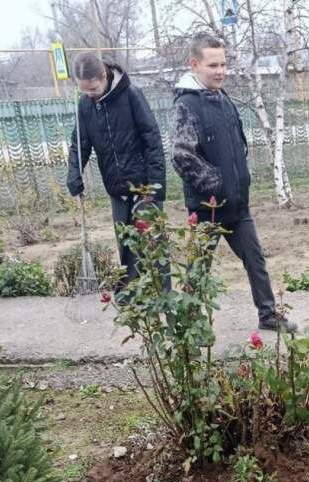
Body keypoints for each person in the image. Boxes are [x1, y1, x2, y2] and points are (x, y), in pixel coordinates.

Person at [171, 33, 296, 334]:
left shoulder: (223, 99)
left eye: (223, 64)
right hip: (207, 210)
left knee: (255, 259)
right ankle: (190, 324)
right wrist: (214, 184)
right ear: (194, 64)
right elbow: (181, 155)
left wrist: (240, 179)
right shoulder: (187, 104)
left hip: (238, 204)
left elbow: (237, 146)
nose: (220, 71)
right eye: (213, 65)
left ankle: (267, 315)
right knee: (198, 269)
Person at [66, 52, 166, 294]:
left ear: (104, 76)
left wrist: (155, 187)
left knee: (151, 242)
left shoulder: (131, 95)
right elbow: (80, 144)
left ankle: (162, 295)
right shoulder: (86, 105)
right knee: (126, 245)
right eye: (84, 90)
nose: (90, 94)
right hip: (116, 188)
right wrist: (74, 174)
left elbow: (152, 139)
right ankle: (132, 296)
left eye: (93, 88)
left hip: (144, 186)